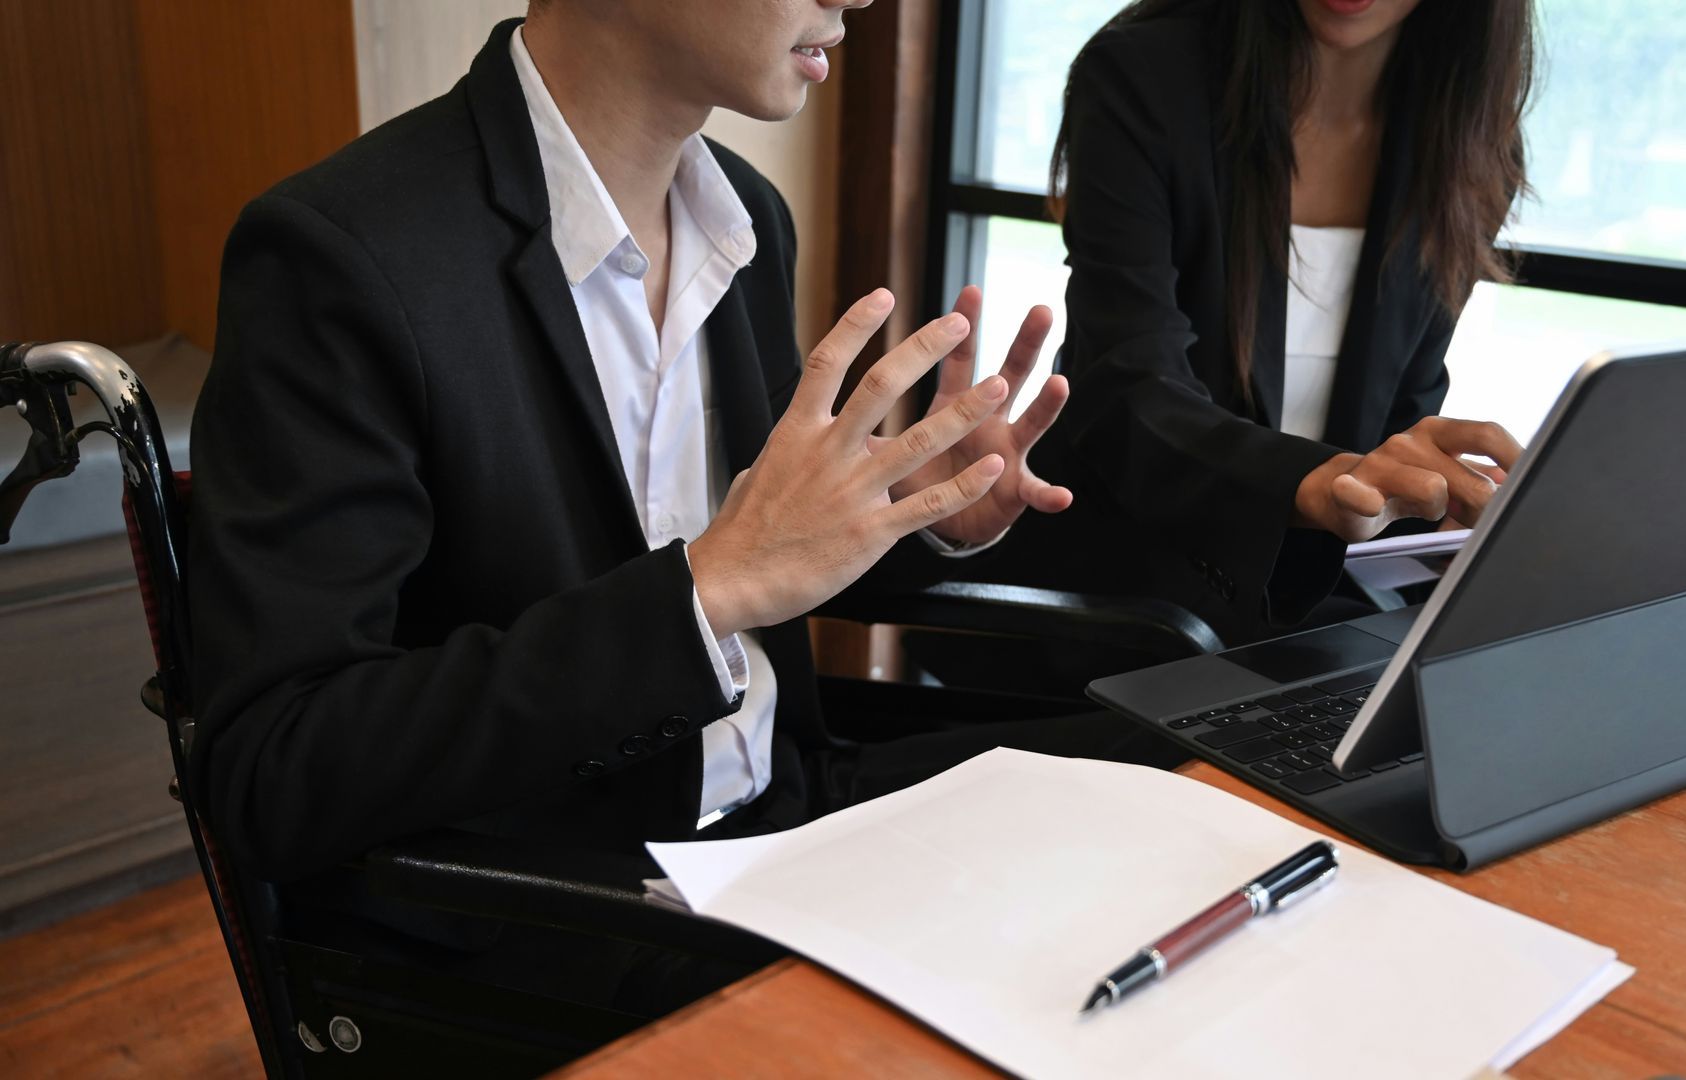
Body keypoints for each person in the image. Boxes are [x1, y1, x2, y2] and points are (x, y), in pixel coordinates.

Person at [188, 0, 1170, 1018]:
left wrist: (912, 510)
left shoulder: (744, 215)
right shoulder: (344, 254)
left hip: (782, 824)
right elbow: (277, 771)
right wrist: (699, 592)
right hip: (560, 906)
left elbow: (757, 549)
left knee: (1173, 777)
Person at [987, 0, 1534, 648]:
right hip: (1115, 606)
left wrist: (1451, 515)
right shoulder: (1145, 75)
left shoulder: (1467, 133)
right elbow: (1130, 388)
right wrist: (1320, 482)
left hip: (1309, 610)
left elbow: (1405, 404)